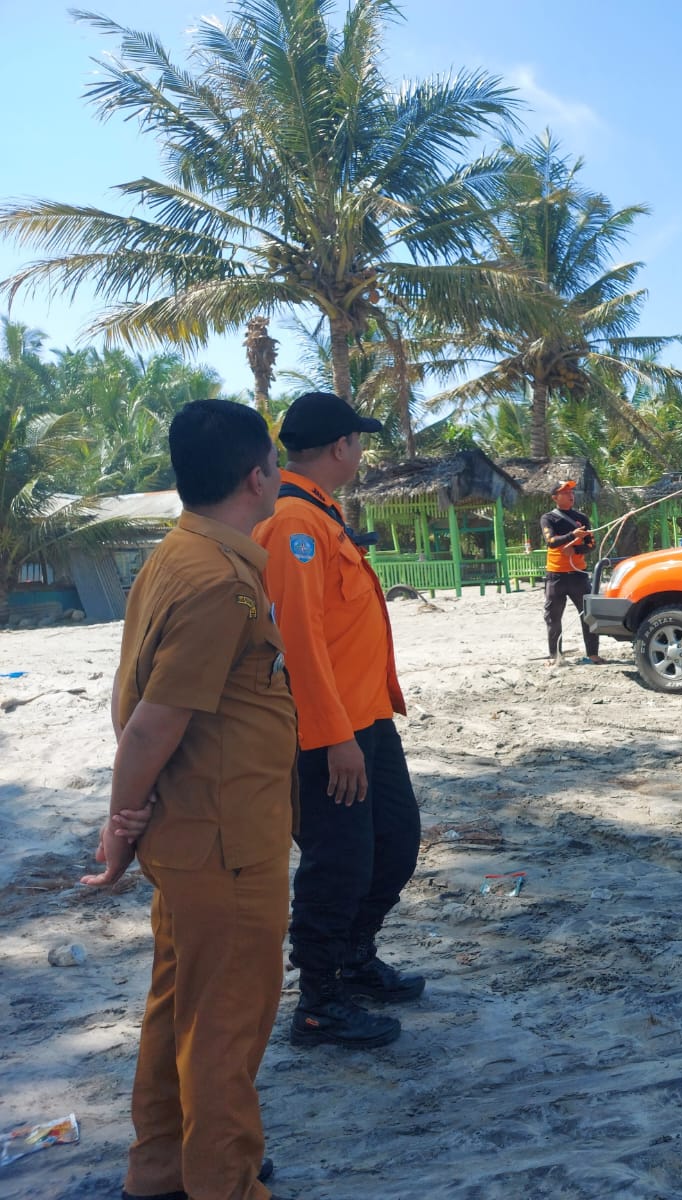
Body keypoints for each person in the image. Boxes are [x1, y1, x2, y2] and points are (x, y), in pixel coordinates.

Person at [84, 399, 295, 1200]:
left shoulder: (182, 555)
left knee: (182, 1008)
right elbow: (151, 724)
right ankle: (224, 1184)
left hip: (195, 833)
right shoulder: (219, 585)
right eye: (274, 460)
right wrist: (118, 828)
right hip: (225, 845)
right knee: (226, 1025)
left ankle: (163, 1170)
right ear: (256, 477)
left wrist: (134, 820)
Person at [254, 391, 421, 1050]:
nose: (361, 452)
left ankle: (355, 959)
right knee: (339, 864)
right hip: (329, 733)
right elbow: (297, 643)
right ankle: (320, 1002)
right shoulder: (293, 524)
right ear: (341, 446)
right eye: (359, 441)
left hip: (367, 719)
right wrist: (332, 738)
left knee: (394, 844)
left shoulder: (322, 515)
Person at [541, 479, 601, 663]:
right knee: (553, 617)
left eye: (571, 492)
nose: (570, 495)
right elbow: (550, 541)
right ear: (555, 497)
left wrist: (575, 550)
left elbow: (591, 544)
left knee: (588, 615)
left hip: (578, 575)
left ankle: (592, 654)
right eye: (565, 493)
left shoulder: (582, 518)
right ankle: (555, 656)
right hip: (556, 575)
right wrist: (571, 536)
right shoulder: (548, 518)